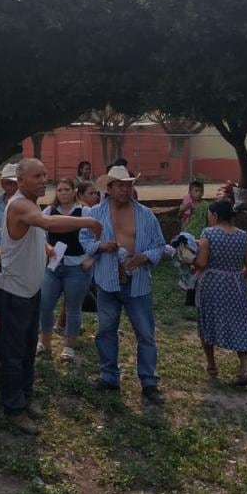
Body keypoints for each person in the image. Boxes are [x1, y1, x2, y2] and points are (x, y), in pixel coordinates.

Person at [0, 159, 101, 434]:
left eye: (45, 174)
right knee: (14, 353)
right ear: (20, 181)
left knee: (28, 350)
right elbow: (45, 222)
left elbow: (34, 232)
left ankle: (25, 398)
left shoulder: (31, 204)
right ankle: (13, 409)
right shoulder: (20, 204)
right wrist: (88, 220)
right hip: (13, 291)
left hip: (30, 290)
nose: (44, 180)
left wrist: (44, 248)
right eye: (37, 176)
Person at [79, 165, 167, 404]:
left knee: (146, 334)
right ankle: (109, 377)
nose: (125, 190)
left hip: (137, 283)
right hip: (107, 282)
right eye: (120, 185)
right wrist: (100, 246)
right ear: (109, 188)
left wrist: (144, 256)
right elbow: (84, 240)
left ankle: (149, 382)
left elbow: (160, 245)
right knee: (106, 330)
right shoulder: (95, 214)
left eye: (129, 185)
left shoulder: (145, 215)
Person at [192, 199, 247, 384]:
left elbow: (202, 262)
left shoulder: (208, 233)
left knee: (208, 320)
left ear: (215, 216)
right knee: (240, 323)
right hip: (236, 284)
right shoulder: (243, 235)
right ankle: (244, 368)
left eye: (209, 215)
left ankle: (211, 364)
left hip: (212, 285)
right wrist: (236, 277)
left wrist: (190, 261)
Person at [39, 177, 93, 362]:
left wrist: (91, 258)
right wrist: (46, 247)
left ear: (74, 191)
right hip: (53, 267)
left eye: (66, 190)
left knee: (73, 308)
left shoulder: (84, 211)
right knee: (45, 306)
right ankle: (45, 343)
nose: (63, 193)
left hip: (77, 267)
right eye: (59, 190)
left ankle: (69, 347)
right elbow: (39, 234)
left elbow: (99, 234)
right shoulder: (49, 211)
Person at [0, 164, 18, 244]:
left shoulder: (28, 204)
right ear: (2, 183)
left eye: (15, 183)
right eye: (9, 182)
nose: (13, 185)